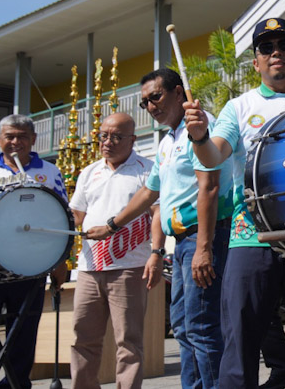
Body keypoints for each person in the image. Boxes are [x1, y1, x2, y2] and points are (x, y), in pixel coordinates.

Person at [183, 17, 285, 388]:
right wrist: (200, 137)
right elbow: (211, 158)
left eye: (284, 46)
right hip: (251, 237)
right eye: (266, 49)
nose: (276, 53)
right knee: (240, 344)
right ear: (256, 62)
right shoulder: (237, 108)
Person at [88, 69, 234, 388]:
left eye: (156, 97)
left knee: (202, 326)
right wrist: (112, 225)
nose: (151, 106)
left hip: (203, 236)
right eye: (145, 103)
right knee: (182, 326)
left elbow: (209, 187)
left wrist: (204, 248)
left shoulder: (201, 128)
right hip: (181, 244)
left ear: (179, 93)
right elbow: (149, 192)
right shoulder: (169, 140)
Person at [0, 114, 69, 389]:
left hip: (30, 265)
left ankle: (14, 385)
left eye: (22, 136)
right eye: (9, 136)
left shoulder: (50, 172)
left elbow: (63, 217)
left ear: (33, 139)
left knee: (23, 335)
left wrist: (61, 262)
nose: (15, 142)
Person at [69, 112, 160, 387]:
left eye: (117, 137)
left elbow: (158, 213)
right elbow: (76, 216)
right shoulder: (89, 172)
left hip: (129, 268)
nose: (108, 142)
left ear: (133, 139)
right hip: (88, 269)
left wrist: (156, 253)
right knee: (83, 338)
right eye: (103, 136)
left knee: (128, 342)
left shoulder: (147, 169)